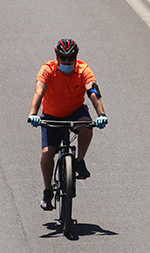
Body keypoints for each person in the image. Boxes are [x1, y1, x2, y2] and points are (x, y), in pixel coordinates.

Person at [28, 39, 108, 211]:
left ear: (75, 57)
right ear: (57, 57)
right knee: (47, 153)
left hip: (76, 111)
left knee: (87, 126)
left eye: (70, 58)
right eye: (63, 58)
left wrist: (101, 114)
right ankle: (47, 191)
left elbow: (93, 91)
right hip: (51, 116)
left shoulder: (83, 70)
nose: (67, 62)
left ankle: (79, 162)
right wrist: (33, 114)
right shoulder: (48, 69)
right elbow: (39, 92)